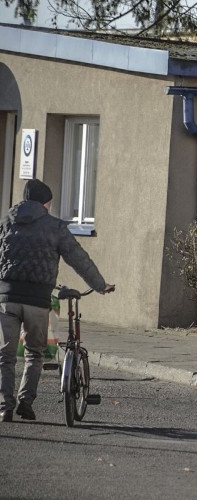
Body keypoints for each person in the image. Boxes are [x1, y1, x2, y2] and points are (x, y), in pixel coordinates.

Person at [0, 179, 115, 422]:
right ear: (44, 203)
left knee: (5, 355)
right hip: (38, 301)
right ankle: (25, 402)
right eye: (49, 203)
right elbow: (78, 258)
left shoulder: (6, 222)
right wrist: (100, 285)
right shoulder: (54, 227)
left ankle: (4, 407)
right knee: (34, 353)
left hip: (6, 299)